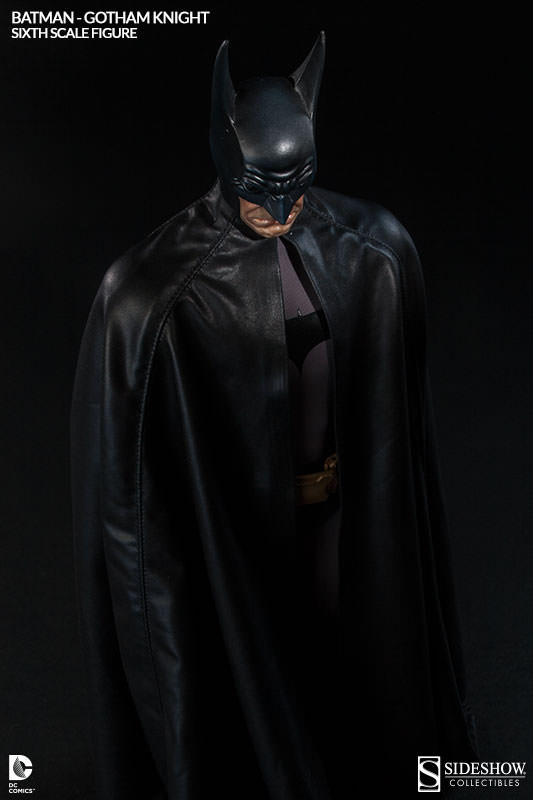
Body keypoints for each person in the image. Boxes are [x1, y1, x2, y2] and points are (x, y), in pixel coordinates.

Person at [70, 31, 477, 800]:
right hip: (234, 541)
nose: (280, 211)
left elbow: (405, 438)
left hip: (343, 519)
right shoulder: (151, 292)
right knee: (254, 682)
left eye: (296, 187)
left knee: (351, 664)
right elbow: (130, 501)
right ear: (225, 161)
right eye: (261, 191)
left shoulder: (374, 249)